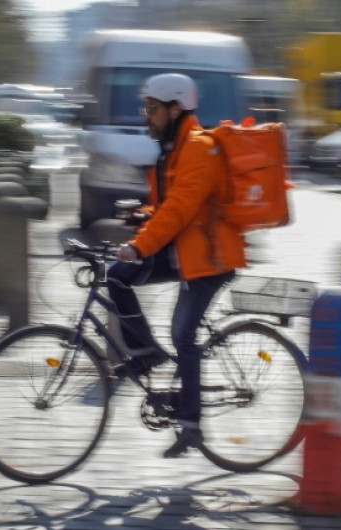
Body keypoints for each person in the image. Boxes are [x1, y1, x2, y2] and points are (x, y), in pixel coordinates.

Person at [107, 73, 248, 458]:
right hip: (184, 249)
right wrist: (143, 215)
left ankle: (191, 425)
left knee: (183, 335)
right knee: (117, 276)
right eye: (145, 108)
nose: (146, 116)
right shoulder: (174, 147)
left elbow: (183, 208)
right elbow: (170, 206)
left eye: (152, 109)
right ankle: (145, 353)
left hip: (210, 257)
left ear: (175, 108)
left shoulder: (200, 148)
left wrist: (139, 246)